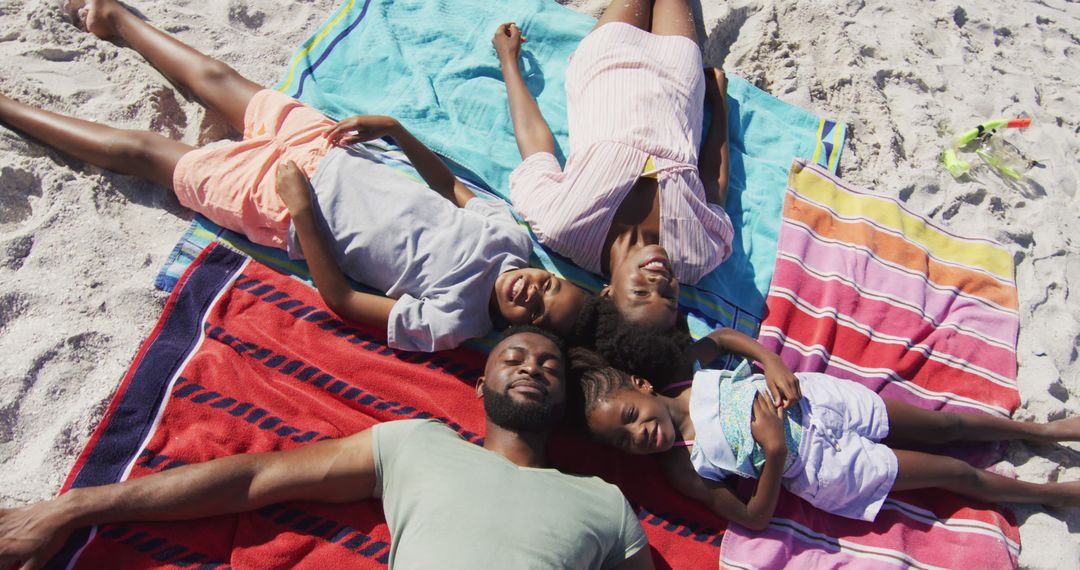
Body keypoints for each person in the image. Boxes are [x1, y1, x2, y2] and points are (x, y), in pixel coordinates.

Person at [0, 0, 589, 353]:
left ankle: (8, 107)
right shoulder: (511, 240)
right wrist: (396, 133)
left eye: (534, 314)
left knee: (145, 154)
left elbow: (344, 300)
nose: (532, 295)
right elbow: (451, 190)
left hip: (281, 205)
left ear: (520, 332)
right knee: (215, 76)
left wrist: (302, 211)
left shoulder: (454, 323)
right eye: (549, 288)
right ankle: (114, 18)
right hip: (332, 148)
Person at [0, 327, 654, 569]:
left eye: (549, 366)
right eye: (515, 356)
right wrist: (75, 508)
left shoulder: (603, 504)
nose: (534, 367)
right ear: (481, 384)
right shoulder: (416, 445)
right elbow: (253, 479)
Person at [568, 345, 1080, 530]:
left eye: (631, 416)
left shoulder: (688, 375)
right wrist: (773, 453)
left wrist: (770, 363)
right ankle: (1047, 494)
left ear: (642, 385)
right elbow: (752, 516)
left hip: (823, 403)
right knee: (955, 473)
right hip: (821, 467)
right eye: (624, 441)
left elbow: (724, 339)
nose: (639, 434)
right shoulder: (681, 467)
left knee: (947, 426)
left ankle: (1037, 430)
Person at [492, 0, 734, 335]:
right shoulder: (696, 256)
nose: (659, 281)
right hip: (680, 84)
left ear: (608, 294)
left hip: (608, 68)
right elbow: (713, 180)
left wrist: (509, 61)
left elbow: (535, 144)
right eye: (669, 296)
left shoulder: (563, 227)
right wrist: (719, 104)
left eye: (641, 292)